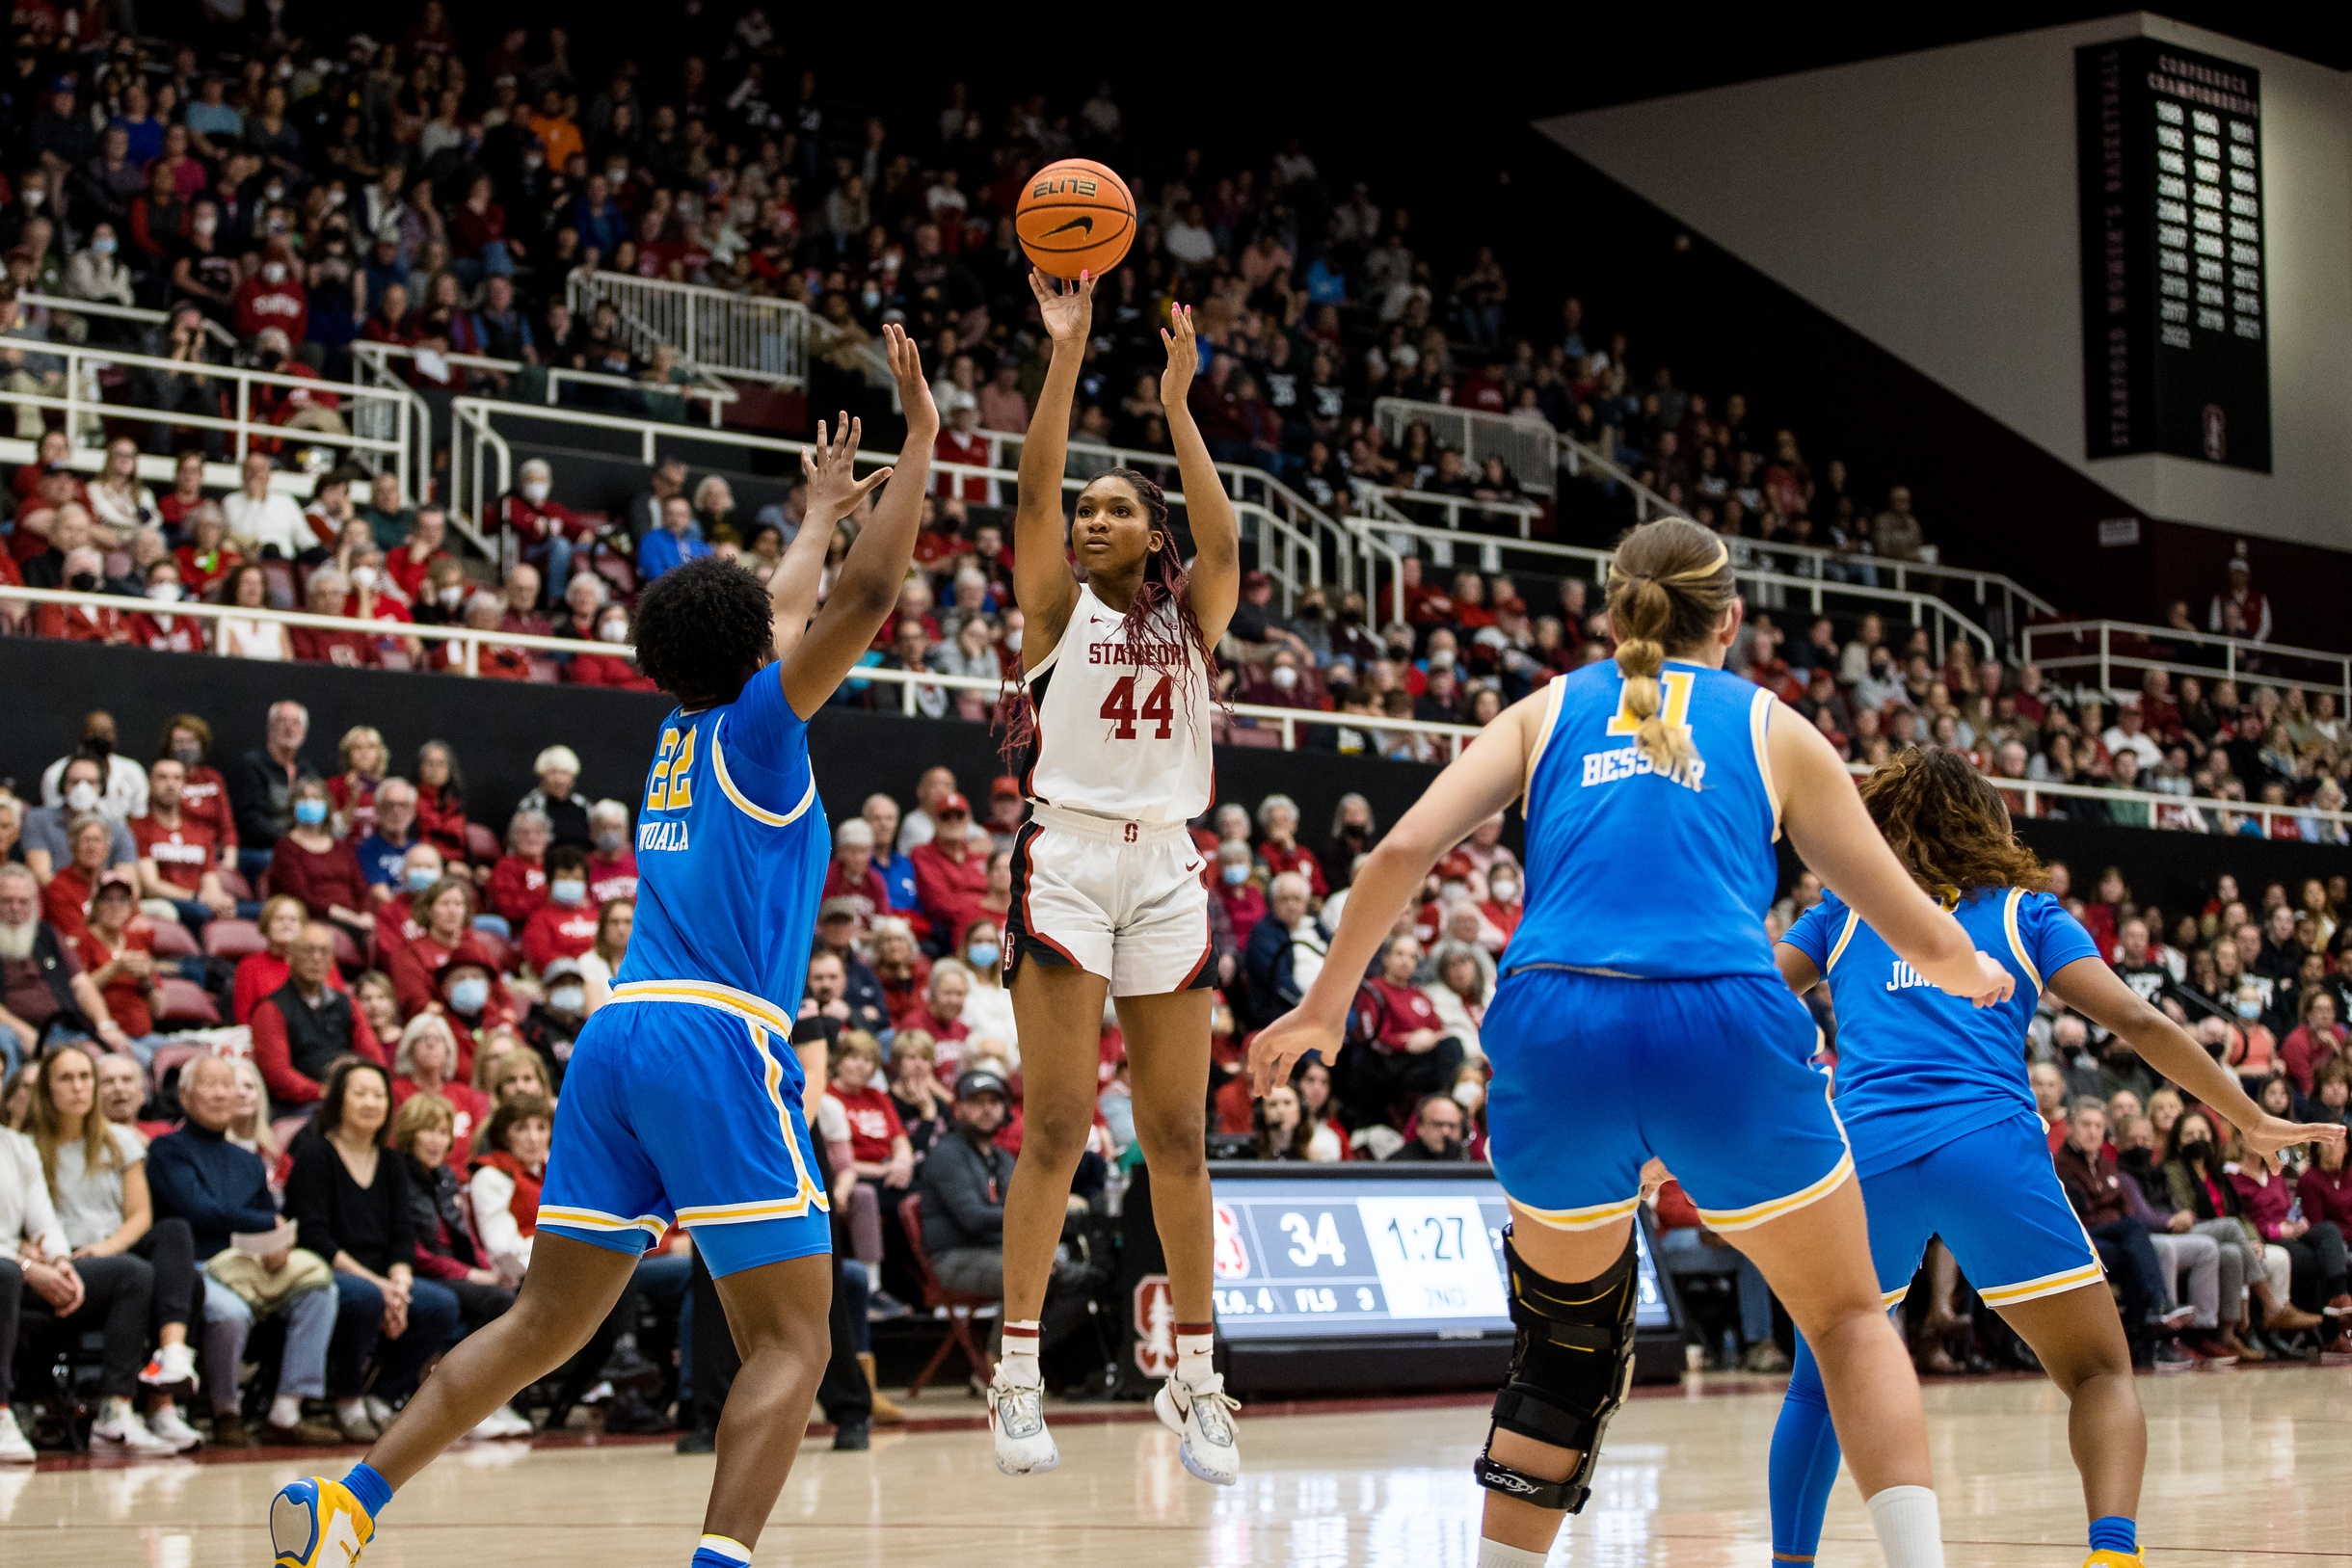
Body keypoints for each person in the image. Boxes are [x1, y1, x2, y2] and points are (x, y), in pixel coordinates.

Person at [272, 328, 937, 1568]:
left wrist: (812, 517)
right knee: (796, 1337)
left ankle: (349, 1501)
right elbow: (861, 600)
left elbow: (787, 603)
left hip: (617, 1034)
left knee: (541, 1320)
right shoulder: (756, 730)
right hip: (713, 1037)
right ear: (758, 656)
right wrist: (919, 450)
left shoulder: (682, 730)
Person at [1250, 516, 2019, 1568]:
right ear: (1732, 619)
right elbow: (1907, 922)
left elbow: (1400, 847)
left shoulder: (1543, 710)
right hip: (1718, 1020)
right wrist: (1973, 970)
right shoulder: (1773, 726)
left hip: (1552, 1021)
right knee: (1845, 1318)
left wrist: (1324, 1006)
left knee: (1564, 1345)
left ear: (1613, 613)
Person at [1765, 747, 2341, 1568]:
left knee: (1820, 1384)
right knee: (2100, 1370)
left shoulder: (1843, 911)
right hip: (1989, 1152)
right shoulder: (2026, 913)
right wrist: (2248, 1115)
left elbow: (1747, 998)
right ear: (1988, 819)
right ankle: (2111, 1554)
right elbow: (2142, 1025)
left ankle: (1791, 1563)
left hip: (1868, 1159)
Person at [985, 277, 1241, 1483]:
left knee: (1177, 1134)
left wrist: (1180, 407)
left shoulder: (1194, 618)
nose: (1086, 520)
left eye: (1111, 510)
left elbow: (1225, 535)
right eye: (1081, 510)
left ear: (1152, 533)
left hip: (1171, 865)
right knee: (1054, 1124)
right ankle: (1018, 1370)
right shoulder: (1054, 612)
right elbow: (1033, 485)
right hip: (1070, 856)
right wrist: (1066, 353)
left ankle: (1195, 1375)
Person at [146, 1054, 342, 1447]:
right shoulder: (167, 1150)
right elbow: (196, 1210)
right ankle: (226, 1411)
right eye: (210, 1084)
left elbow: (269, 1217)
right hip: (197, 1266)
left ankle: (286, 1410)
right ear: (184, 1096)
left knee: (322, 1289)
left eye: (228, 1085)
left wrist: (277, 1245)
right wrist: (262, 1226)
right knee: (228, 1311)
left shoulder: (248, 1160)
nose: (222, 1094)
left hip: (252, 1263)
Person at [27, 1042, 203, 1449]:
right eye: (66, 1079)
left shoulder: (120, 1140)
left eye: (85, 1077)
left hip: (107, 1249)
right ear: (47, 1089)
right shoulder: (27, 1146)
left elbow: (140, 1215)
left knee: (177, 1245)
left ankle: (164, 1396)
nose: (78, 1087)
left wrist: (106, 1248)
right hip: (63, 1261)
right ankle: (114, 1409)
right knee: (136, 1273)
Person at [284, 1058, 462, 1442]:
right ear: (339, 1102)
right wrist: (379, 1287)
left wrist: (398, 1282)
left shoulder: (392, 1163)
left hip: (382, 1273)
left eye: (379, 1094)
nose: (371, 1102)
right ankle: (347, 1401)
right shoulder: (315, 1155)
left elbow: (402, 1233)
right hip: (329, 1269)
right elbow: (314, 1236)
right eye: (360, 1093)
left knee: (440, 1305)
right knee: (364, 1299)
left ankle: (383, 1396)